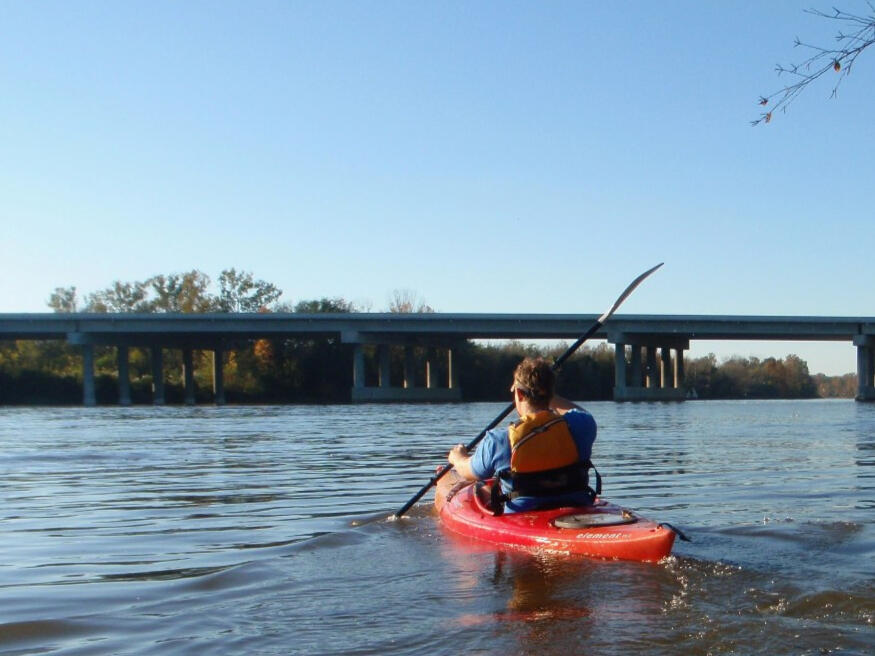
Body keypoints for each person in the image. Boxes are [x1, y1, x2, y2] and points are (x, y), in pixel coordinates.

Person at [447, 356, 598, 514]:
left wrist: (457, 457)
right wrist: (546, 391)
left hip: (523, 515)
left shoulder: (498, 440)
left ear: (519, 393)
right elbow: (580, 412)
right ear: (550, 392)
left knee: (481, 486)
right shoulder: (581, 425)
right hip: (579, 507)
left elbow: (469, 471)